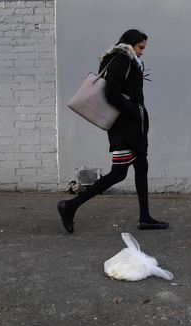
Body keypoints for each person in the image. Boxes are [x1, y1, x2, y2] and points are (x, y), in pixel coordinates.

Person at [57, 29, 169, 233]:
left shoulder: (126, 59)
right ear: (130, 44)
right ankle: (69, 206)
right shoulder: (121, 59)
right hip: (125, 126)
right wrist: (133, 111)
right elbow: (111, 93)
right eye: (140, 47)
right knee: (118, 173)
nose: (142, 52)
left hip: (132, 126)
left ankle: (145, 218)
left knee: (141, 165)